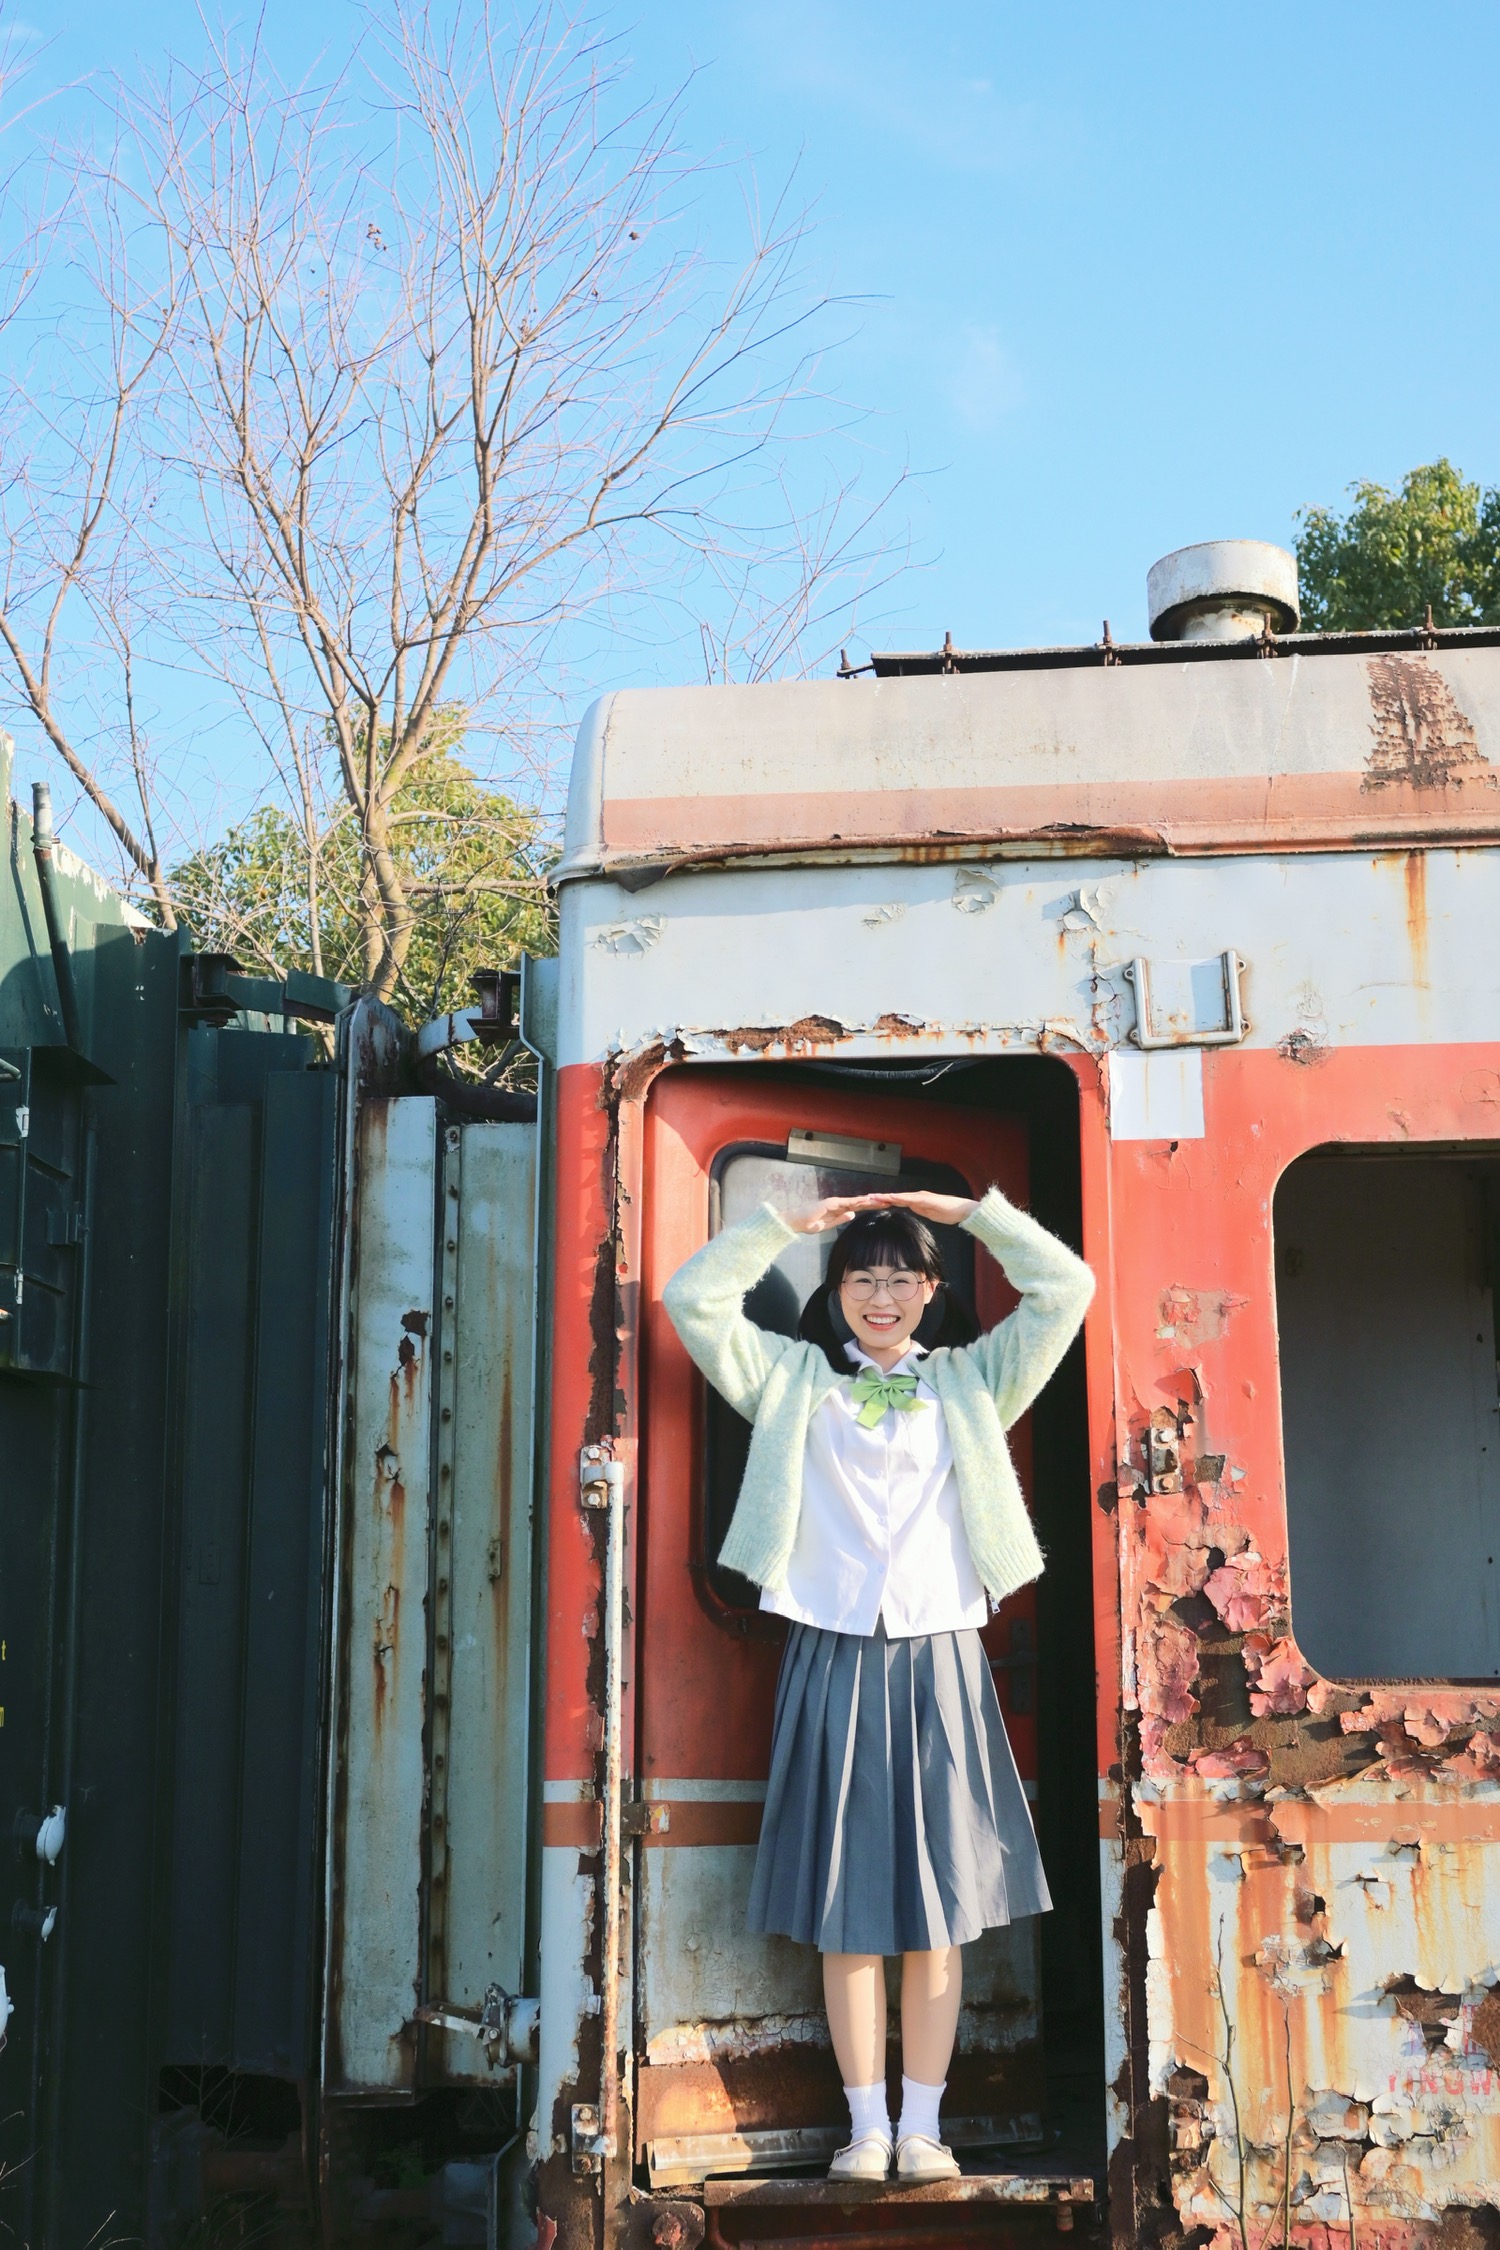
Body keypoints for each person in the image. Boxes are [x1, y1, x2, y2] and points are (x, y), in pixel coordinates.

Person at [662, 1182, 1094, 2186]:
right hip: (832, 1652)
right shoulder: (791, 1380)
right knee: (847, 1910)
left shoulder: (973, 1382)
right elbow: (693, 1301)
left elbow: (1066, 1288)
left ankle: (925, 2129)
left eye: (903, 1277)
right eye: (863, 1278)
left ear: (934, 1290)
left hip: (942, 1654)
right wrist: (784, 1225)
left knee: (939, 1909)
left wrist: (966, 1212)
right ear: (837, 1292)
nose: (883, 1295)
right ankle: (864, 2130)